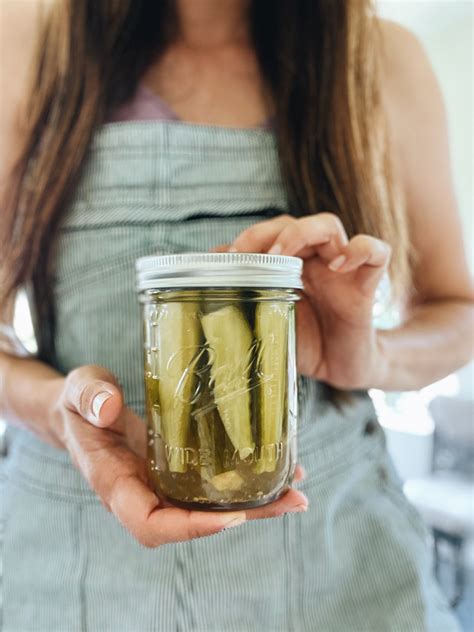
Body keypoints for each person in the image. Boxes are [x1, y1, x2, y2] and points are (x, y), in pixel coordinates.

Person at [0, 1, 472, 630]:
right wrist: (58, 409)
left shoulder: (381, 59)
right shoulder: (25, 39)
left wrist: (373, 356)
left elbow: (458, 309)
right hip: (69, 560)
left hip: (340, 565)